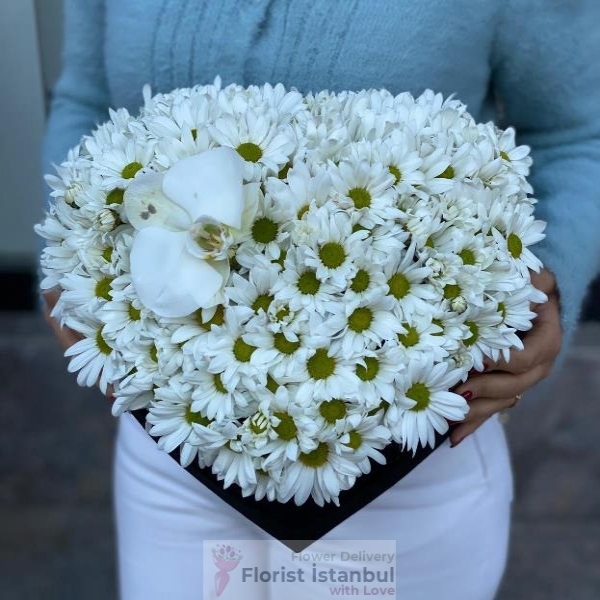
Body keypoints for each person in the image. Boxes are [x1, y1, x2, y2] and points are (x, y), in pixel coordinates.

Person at [41, 1, 599, 598]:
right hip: (176, 448)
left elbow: (575, 133)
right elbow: (87, 101)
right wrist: (71, 255)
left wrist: (549, 285)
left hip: (405, 452)